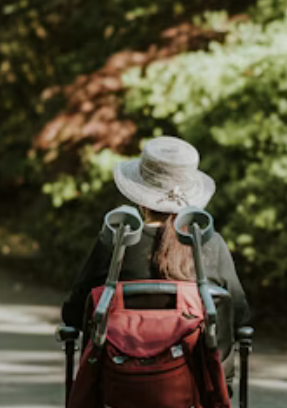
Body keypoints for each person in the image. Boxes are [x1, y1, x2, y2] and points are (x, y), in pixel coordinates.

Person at [60, 136, 250, 373]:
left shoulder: (114, 243)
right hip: (197, 379)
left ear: (141, 199)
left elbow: (74, 313)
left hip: (118, 378)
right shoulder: (211, 245)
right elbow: (240, 316)